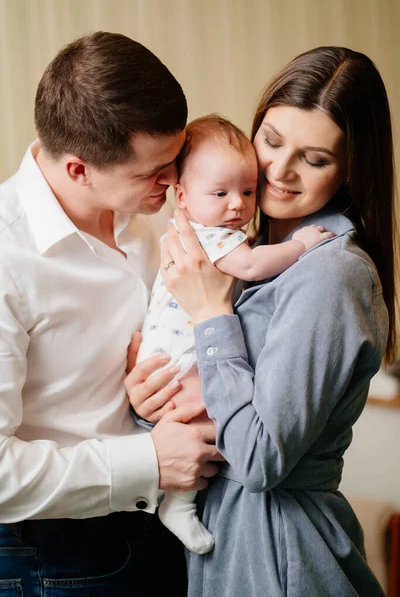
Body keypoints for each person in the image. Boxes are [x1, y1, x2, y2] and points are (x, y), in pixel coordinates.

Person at [128, 46, 397, 596]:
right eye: (271, 141)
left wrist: (210, 314)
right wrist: (151, 395)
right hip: (224, 544)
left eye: (315, 159)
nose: (279, 170)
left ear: (350, 171)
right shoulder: (240, 246)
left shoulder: (330, 274)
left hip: (279, 556)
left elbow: (260, 457)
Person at [0, 31, 224, 596]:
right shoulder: (8, 257)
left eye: (175, 161)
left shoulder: (139, 218)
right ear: (79, 169)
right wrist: (144, 459)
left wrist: (142, 400)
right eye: (155, 171)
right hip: (51, 555)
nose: (175, 182)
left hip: (156, 530)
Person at [135, 113, 334, 555]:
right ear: (182, 197)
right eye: (221, 193)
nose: (237, 206)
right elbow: (251, 266)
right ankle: (179, 505)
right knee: (201, 434)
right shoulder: (215, 238)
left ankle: (174, 501)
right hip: (183, 358)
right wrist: (300, 246)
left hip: (163, 354)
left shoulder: (183, 231)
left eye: (246, 191)